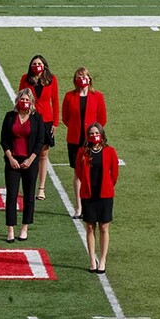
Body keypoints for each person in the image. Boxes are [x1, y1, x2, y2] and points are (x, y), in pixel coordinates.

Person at [61, 67, 108, 219]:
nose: (82, 79)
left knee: (93, 172)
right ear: (75, 80)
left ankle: (93, 204)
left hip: (92, 140)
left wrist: (94, 134)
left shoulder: (97, 96)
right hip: (75, 140)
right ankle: (79, 206)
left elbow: (102, 118)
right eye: (79, 76)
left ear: (90, 78)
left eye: (85, 76)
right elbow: (66, 117)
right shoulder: (69, 96)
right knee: (78, 173)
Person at [0, 88, 45, 243]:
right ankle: (10, 229)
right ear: (17, 101)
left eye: (27, 100)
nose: (24, 102)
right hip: (13, 161)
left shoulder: (37, 118)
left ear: (31, 102)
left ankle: (24, 228)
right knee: (11, 196)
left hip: (30, 162)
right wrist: (11, 158)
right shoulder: (10, 117)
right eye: (22, 99)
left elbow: (40, 141)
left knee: (29, 196)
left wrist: (31, 159)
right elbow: (4, 140)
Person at [76, 123, 117, 274]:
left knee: (104, 227)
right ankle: (92, 260)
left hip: (105, 195)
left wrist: (107, 186)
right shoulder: (82, 152)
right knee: (90, 228)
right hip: (88, 194)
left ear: (102, 134)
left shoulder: (110, 151)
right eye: (91, 133)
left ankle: (103, 259)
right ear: (88, 136)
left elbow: (114, 174)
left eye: (96, 133)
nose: (94, 136)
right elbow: (79, 173)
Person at [18, 55, 59, 202]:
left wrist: (55, 123)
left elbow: (55, 100)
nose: (37, 66)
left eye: (39, 63)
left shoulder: (52, 79)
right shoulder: (25, 78)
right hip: (31, 119)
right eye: (34, 64)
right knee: (27, 153)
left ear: (45, 65)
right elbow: (20, 99)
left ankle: (41, 188)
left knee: (43, 154)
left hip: (47, 120)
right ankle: (28, 186)